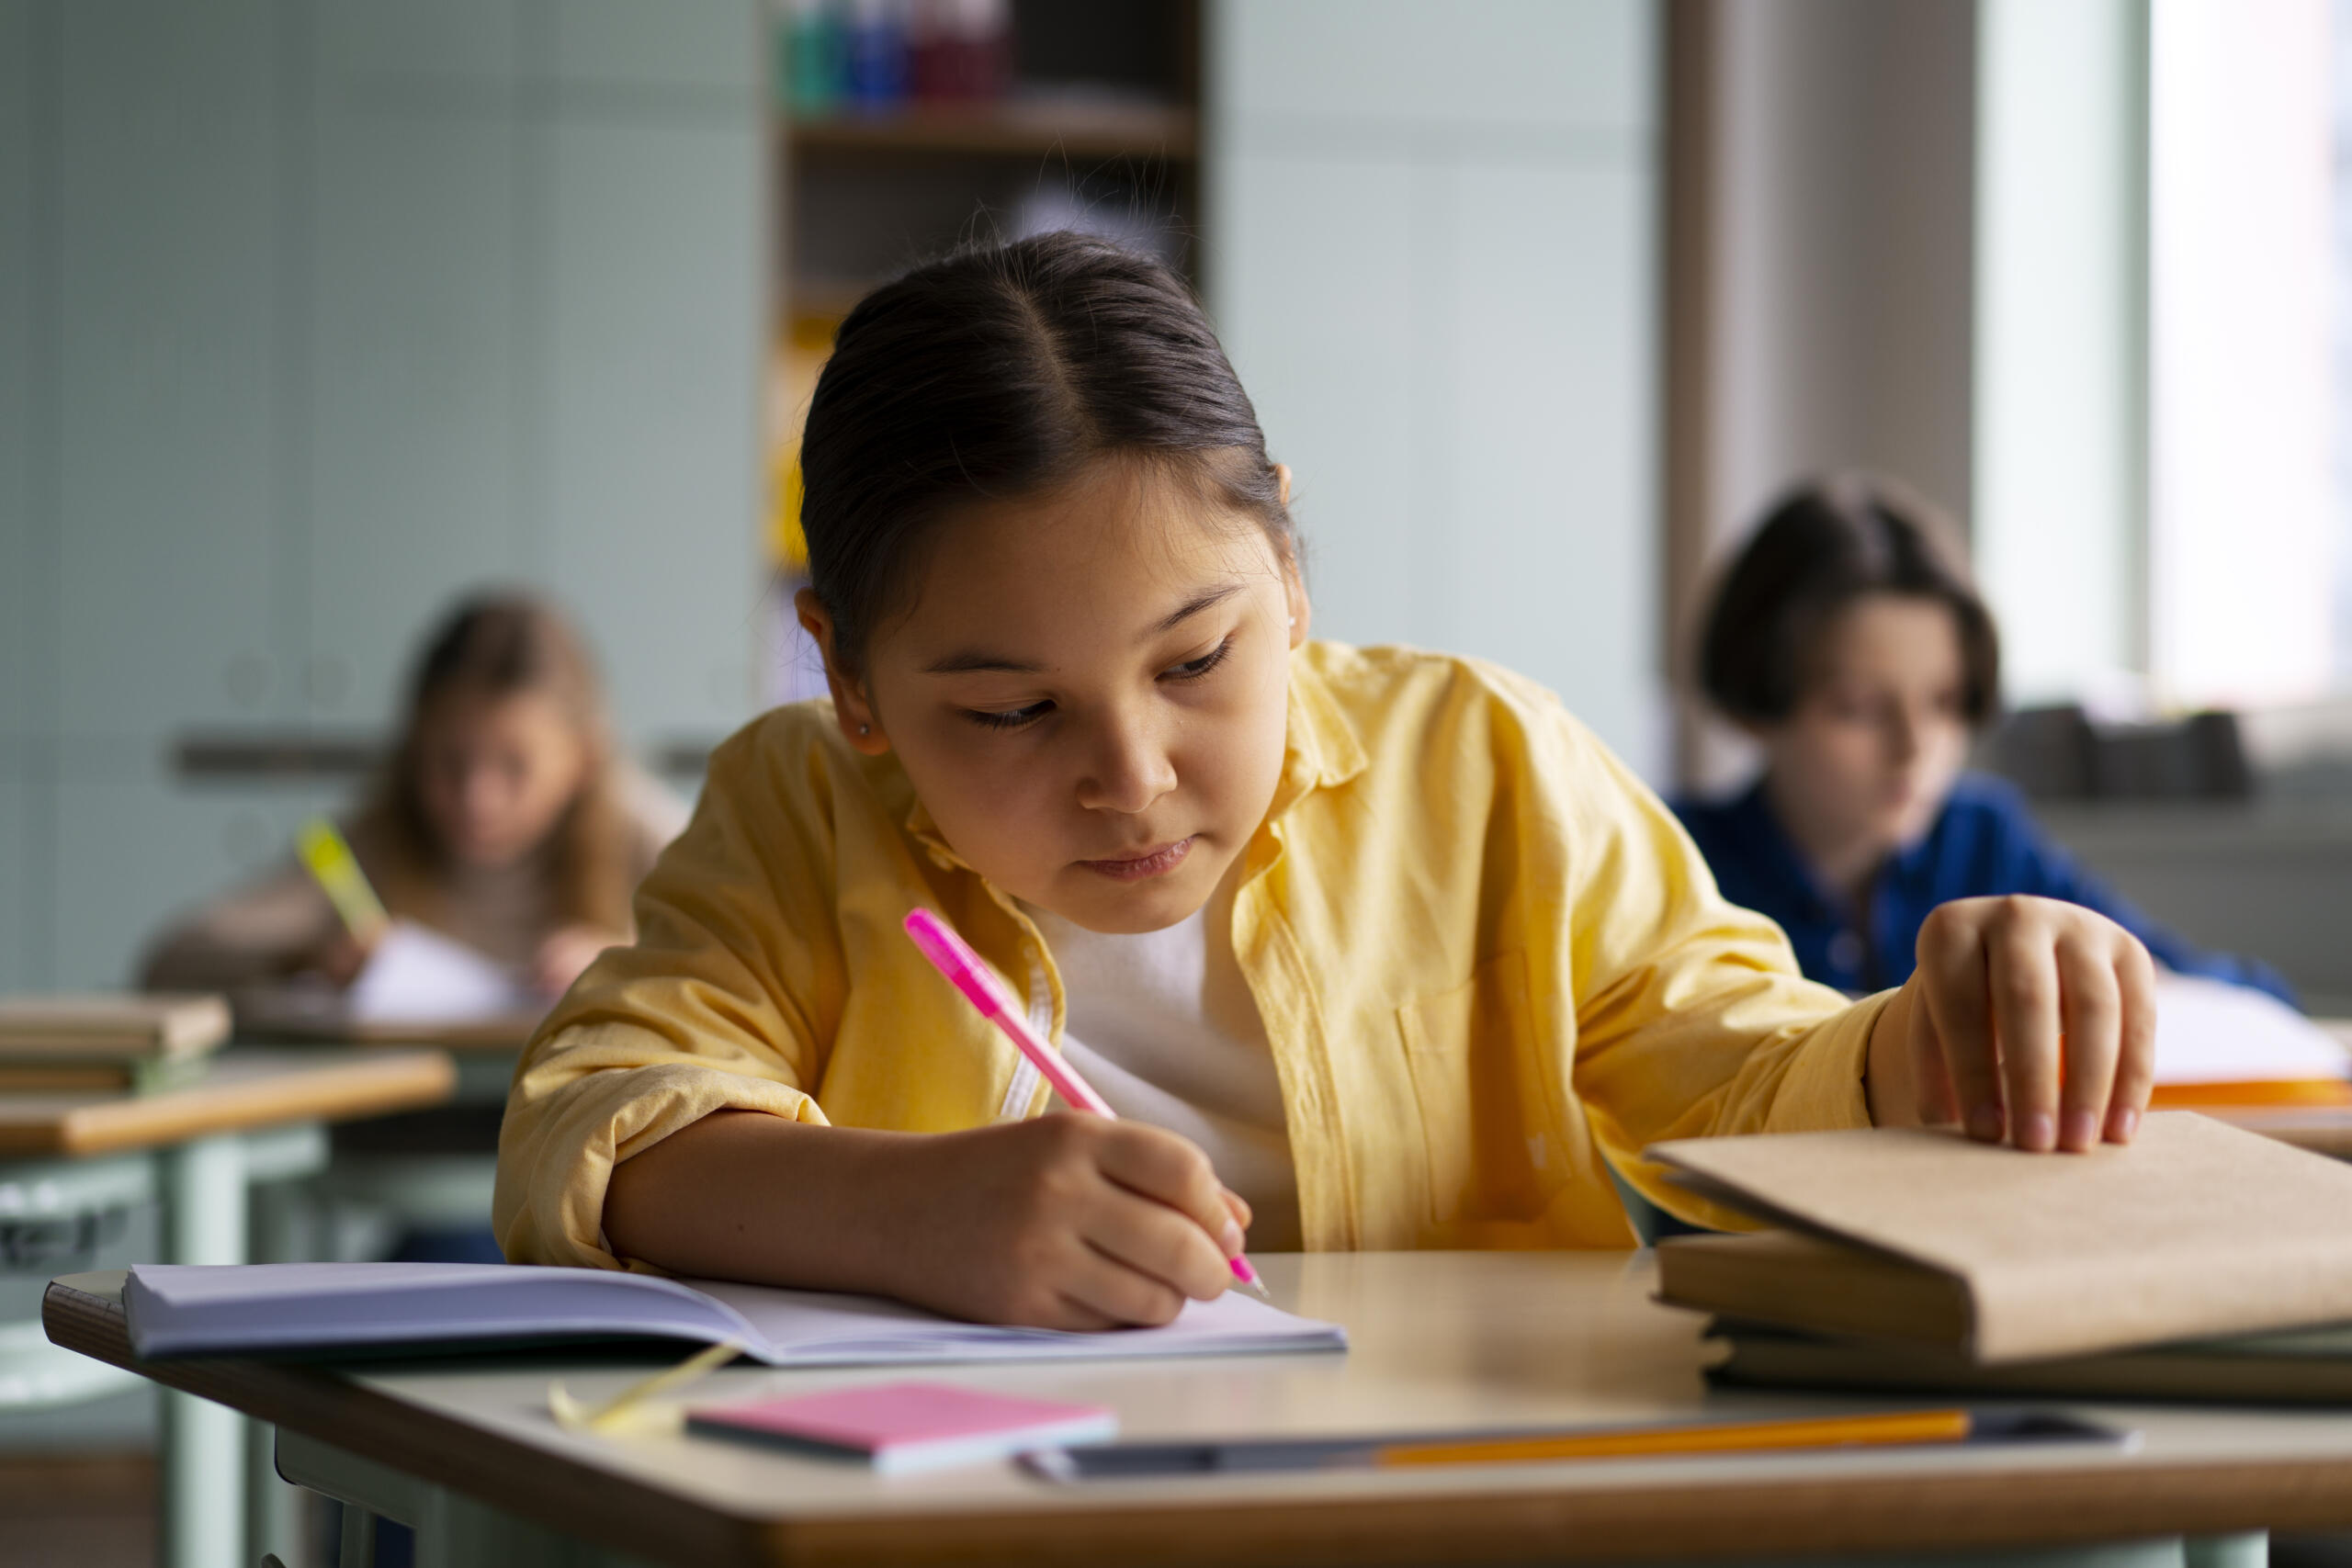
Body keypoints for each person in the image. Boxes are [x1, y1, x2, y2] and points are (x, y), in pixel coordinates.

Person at [494, 234, 2159, 1331]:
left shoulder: (1486, 765)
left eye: (1196, 661)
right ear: (851, 680)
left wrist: (1924, 1038)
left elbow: (1735, 1068)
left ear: (1287, 570)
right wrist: (895, 1210)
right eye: (1011, 709)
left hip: (1445, 1495)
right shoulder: (804, 808)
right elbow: (589, 1112)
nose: (1130, 775)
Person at [1672, 477, 2293, 1003]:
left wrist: (2142, 987)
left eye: (1944, 704)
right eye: (1859, 709)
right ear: (1756, 701)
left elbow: (2235, 995)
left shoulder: (1984, 840)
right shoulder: (1676, 866)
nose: (1915, 748)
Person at [142, 594, 687, 1001]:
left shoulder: (642, 831)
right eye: (448, 761)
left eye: (515, 766)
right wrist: (306, 956)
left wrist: (630, 963)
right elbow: (170, 962)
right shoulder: (369, 841)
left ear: (583, 759)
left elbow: (739, 969)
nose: (476, 798)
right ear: (414, 747)